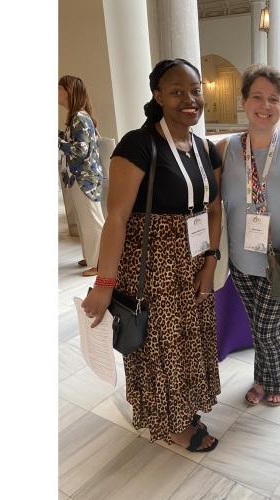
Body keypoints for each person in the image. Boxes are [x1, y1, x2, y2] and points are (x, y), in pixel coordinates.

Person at [81, 59, 223, 452]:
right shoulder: (139, 144)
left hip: (194, 262)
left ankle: (187, 406)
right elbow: (117, 218)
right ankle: (170, 420)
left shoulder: (204, 148)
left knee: (190, 342)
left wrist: (211, 262)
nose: (189, 99)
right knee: (160, 347)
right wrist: (105, 285)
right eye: (177, 91)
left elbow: (214, 208)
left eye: (195, 90)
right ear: (158, 96)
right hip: (153, 267)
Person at [216, 65, 280, 407]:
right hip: (242, 260)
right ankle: (262, 380)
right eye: (256, 96)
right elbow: (209, 201)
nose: (265, 104)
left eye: (274, 98)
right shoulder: (225, 149)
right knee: (259, 327)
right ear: (243, 101)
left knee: (268, 329)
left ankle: (278, 379)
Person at [58, 75, 105, 277]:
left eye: (59, 89)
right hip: (81, 177)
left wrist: (58, 142)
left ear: (70, 92)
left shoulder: (79, 117)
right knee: (86, 220)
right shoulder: (77, 116)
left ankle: (101, 263)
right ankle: (91, 257)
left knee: (93, 221)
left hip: (85, 179)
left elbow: (80, 150)